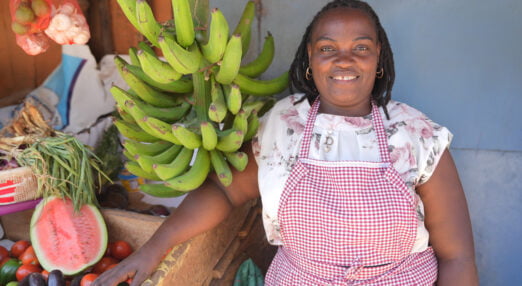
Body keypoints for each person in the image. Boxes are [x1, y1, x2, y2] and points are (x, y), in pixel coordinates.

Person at [94, 0, 478, 285]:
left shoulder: (418, 135)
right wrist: (152, 249)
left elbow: (457, 257)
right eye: (328, 48)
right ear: (310, 59)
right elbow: (224, 193)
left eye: (361, 47)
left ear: (379, 60)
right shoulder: (280, 124)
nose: (344, 60)